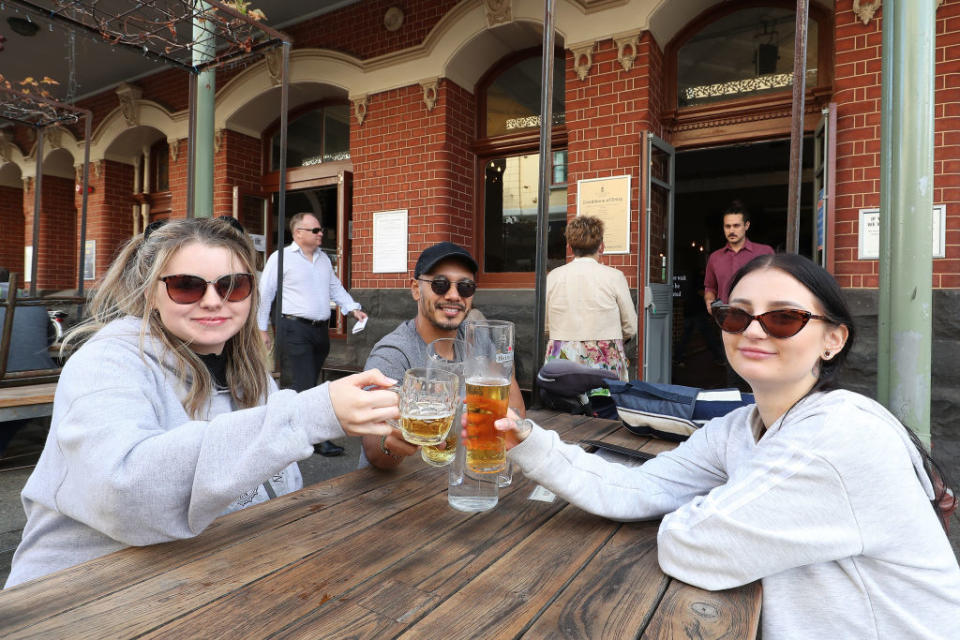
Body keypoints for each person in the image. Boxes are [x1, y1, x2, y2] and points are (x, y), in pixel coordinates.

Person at [496, 253, 960, 639]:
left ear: (833, 340)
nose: (753, 331)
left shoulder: (837, 437)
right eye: (736, 314)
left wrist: (705, 508)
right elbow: (640, 487)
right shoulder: (743, 425)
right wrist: (531, 442)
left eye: (783, 318)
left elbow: (696, 545)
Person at [4, 218, 398, 588]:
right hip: (82, 591)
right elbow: (123, 493)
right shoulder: (107, 362)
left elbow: (278, 485)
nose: (213, 301)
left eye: (233, 286)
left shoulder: (251, 372)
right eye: (187, 286)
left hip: (207, 576)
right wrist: (310, 415)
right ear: (150, 292)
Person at [360, 242, 525, 470]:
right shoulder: (393, 353)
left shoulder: (478, 341)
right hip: (399, 492)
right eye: (440, 284)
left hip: (462, 479)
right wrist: (390, 443)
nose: (454, 295)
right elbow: (373, 448)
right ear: (416, 289)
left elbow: (515, 408)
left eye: (465, 287)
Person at [257, 211, 368, 457]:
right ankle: (316, 439)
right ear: (298, 233)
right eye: (315, 230)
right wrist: (261, 328)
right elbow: (266, 293)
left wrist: (353, 309)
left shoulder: (323, 259)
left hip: (320, 330)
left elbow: (335, 287)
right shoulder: (281, 258)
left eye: (320, 230)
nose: (321, 234)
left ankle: (281, 425)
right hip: (294, 328)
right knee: (307, 384)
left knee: (307, 383)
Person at [544, 216, 637, 381]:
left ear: (569, 246)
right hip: (605, 352)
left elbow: (545, 325)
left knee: (565, 402)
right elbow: (630, 326)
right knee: (606, 402)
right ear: (601, 246)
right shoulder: (615, 276)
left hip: (562, 353)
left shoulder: (553, 277)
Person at [703, 200, 774, 313]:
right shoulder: (715, 257)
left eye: (736, 226)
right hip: (725, 317)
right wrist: (709, 300)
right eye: (727, 226)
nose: (731, 230)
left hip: (756, 316)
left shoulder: (764, 252)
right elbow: (710, 287)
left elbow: (774, 284)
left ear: (746, 225)